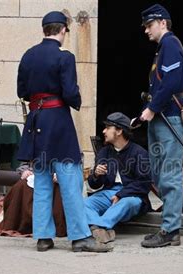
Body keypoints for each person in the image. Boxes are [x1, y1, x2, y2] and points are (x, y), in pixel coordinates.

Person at [17, 11, 111, 253]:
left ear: (44, 30)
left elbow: (22, 91)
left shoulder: (28, 55)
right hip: (58, 122)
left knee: (43, 182)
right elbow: (70, 92)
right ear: (63, 31)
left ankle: (43, 237)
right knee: (70, 180)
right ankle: (80, 237)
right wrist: (75, 100)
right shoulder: (65, 57)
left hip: (36, 122)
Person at [138, 4, 183, 248]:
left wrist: (152, 108)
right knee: (160, 173)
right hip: (160, 119)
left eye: (149, 25)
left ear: (163, 23)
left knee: (169, 173)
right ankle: (167, 226)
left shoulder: (170, 44)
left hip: (168, 118)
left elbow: (171, 82)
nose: (146, 30)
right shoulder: (162, 48)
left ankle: (171, 230)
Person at [85, 112, 152, 243]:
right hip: (109, 194)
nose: (104, 131)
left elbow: (144, 183)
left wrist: (121, 194)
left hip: (132, 195)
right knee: (83, 203)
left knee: (127, 203)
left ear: (119, 131)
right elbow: (94, 185)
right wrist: (96, 175)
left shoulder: (139, 152)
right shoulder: (104, 152)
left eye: (108, 128)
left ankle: (99, 226)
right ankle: (102, 230)